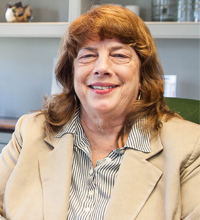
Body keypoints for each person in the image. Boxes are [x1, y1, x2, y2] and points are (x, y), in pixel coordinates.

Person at [0, 4, 200, 220]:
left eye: (119, 55)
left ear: (142, 75)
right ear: (72, 72)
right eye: (87, 56)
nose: (101, 67)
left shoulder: (189, 147)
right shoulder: (30, 131)